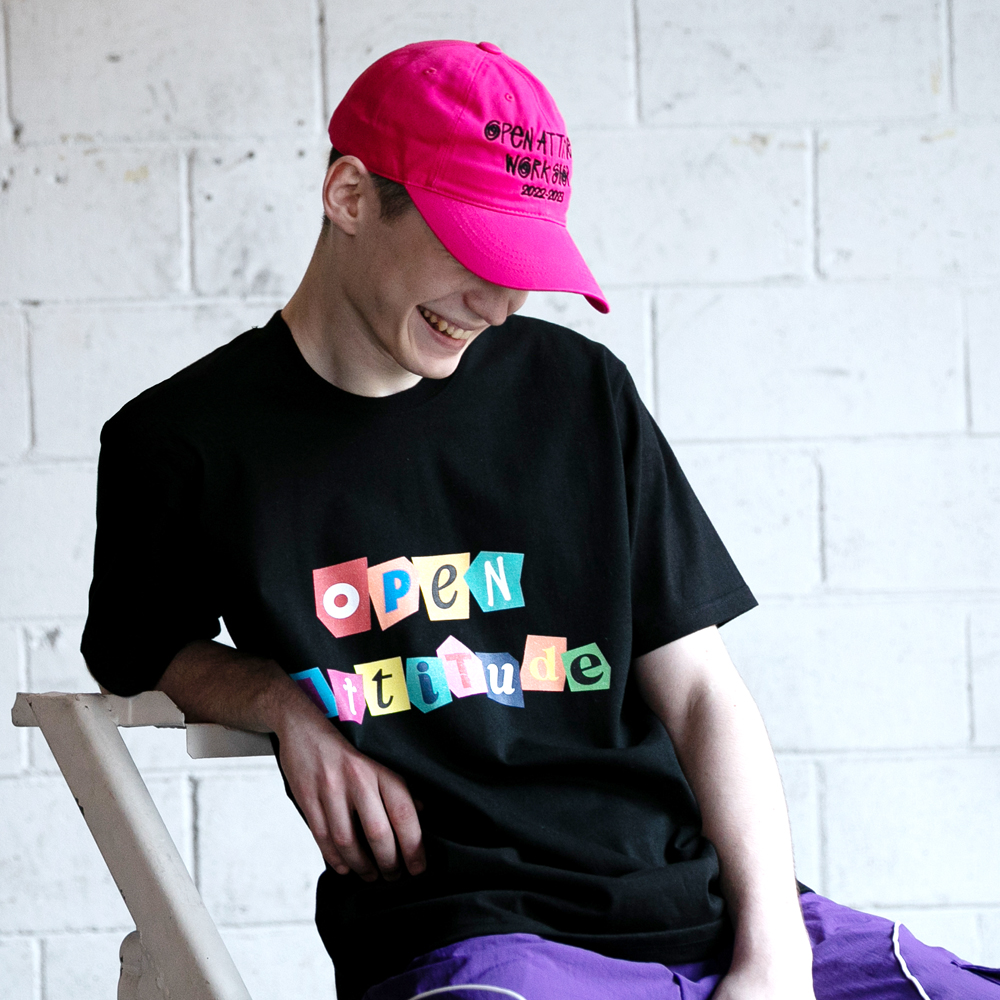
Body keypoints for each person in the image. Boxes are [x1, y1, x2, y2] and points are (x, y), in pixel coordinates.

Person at [81, 39, 998, 1000]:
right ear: (349, 196)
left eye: (521, 263)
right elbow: (139, 647)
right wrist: (278, 703)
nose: (498, 302)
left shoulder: (577, 392)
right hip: (478, 940)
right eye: (473, 254)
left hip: (716, 913)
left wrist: (773, 958)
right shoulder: (182, 440)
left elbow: (701, 694)